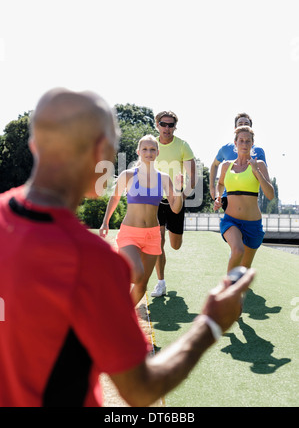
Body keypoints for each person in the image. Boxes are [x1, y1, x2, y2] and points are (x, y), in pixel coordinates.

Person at [0, 87, 255, 407]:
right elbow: (141, 390)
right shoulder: (92, 262)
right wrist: (211, 324)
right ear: (101, 152)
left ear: (34, 144)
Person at [99, 134, 183, 306]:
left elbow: (175, 208)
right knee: (136, 273)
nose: (148, 152)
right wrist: (105, 221)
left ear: (158, 152)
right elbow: (114, 198)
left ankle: (122, 315)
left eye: (152, 149)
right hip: (130, 233)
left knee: (142, 284)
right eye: (144, 149)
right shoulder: (128, 175)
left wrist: (179, 188)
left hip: (152, 236)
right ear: (138, 151)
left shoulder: (164, 178)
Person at [214, 125, 274, 272]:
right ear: (235, 143)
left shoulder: (259, 164)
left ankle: (236, 284)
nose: (245, 144)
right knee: (238, 250)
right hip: (231, 220)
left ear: (252, 143)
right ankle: (226, 289)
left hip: (253, 224)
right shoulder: (226, 166)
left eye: (248, 141)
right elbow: (220, 184)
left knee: (244, 268)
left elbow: (270, 195)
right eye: (241, 140)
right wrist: (218, 197)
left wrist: (256, 171)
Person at [151, 110, 198, 298]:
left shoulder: (182, 146)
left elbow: (192, 177)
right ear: (157, 125)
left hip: (176, 197)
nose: (167, 128)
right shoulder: (151, 144)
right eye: (163, 124)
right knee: (157, 241)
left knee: (175, 245)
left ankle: (175, 236)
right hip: (155, 199)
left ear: (175, 127)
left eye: (171, 125)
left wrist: (181, 197)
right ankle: (160, 283)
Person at [209, 113, 267, 209]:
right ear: (235, 128)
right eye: (240, 124)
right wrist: (212, 187)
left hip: (249, 197)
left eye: (246, 124)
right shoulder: (225, 148)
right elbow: (214, 165)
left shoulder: (259, 151)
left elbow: (264, 177)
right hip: (228, 197)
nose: (243, 125)